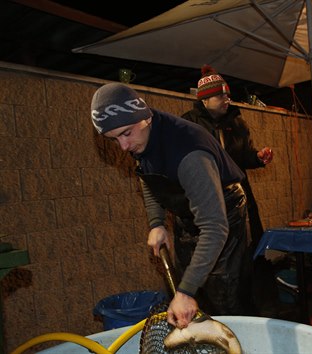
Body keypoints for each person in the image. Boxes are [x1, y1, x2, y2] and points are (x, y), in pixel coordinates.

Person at [90, 83, 248, 328]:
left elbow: (215, 227)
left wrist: (185, 292)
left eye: (126, 133)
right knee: (189, 286)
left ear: (145, 117)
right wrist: (157, 223)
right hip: (188, 212)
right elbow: (149, 176)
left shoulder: (190, 153)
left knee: (222, 296)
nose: (123, 147)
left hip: (223, 211)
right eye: (113, 140)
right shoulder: (141, 137)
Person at [181, 65, 273, 315]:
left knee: (242, 260)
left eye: (227, 95)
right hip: (207, 202)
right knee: (216, 266)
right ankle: (215, 314)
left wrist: (257, 157)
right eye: (221, 95)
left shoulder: (237, 123)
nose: (226, 99)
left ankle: (244, 312)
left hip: (238, 198)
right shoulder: (188, 125)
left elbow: (243, 157)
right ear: (205, 99)